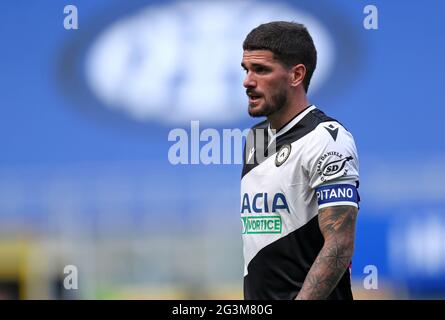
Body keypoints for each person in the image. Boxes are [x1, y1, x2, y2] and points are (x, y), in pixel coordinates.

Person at [240, 21, 360, 300]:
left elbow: (340, 243)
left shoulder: (327, 139)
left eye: (261, 70)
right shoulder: (255, 139)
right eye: (246, 70)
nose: (248, 81)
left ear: (296, 75)